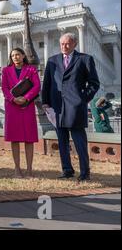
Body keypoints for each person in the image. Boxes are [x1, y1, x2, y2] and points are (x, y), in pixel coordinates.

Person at [42, 32, 100, 182]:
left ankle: (84, 173)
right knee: (62, 141)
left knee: (79, 141)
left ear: (74, 44)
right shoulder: (52, 61)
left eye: (67, 43)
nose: (64, 46)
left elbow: (94, 83)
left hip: (75, 107)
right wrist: (45, 101)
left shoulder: (85, 59)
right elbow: (47, 83)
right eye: (62, 44)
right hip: (57, 107)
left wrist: (83, 98)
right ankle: (67, 170)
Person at [1, 48, 41, 178]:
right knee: (15, 139)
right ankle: (17, 169)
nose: (15, 57)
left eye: (17, 55)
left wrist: (26, 97)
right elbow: (4, 87)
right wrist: (13, 99)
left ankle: (29, 170)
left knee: (29, 139)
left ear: (23, 56)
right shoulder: (6, 70)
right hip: (12, 107)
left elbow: (36, 86)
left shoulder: (31, 69)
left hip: (27, 106)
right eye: (13, 55)